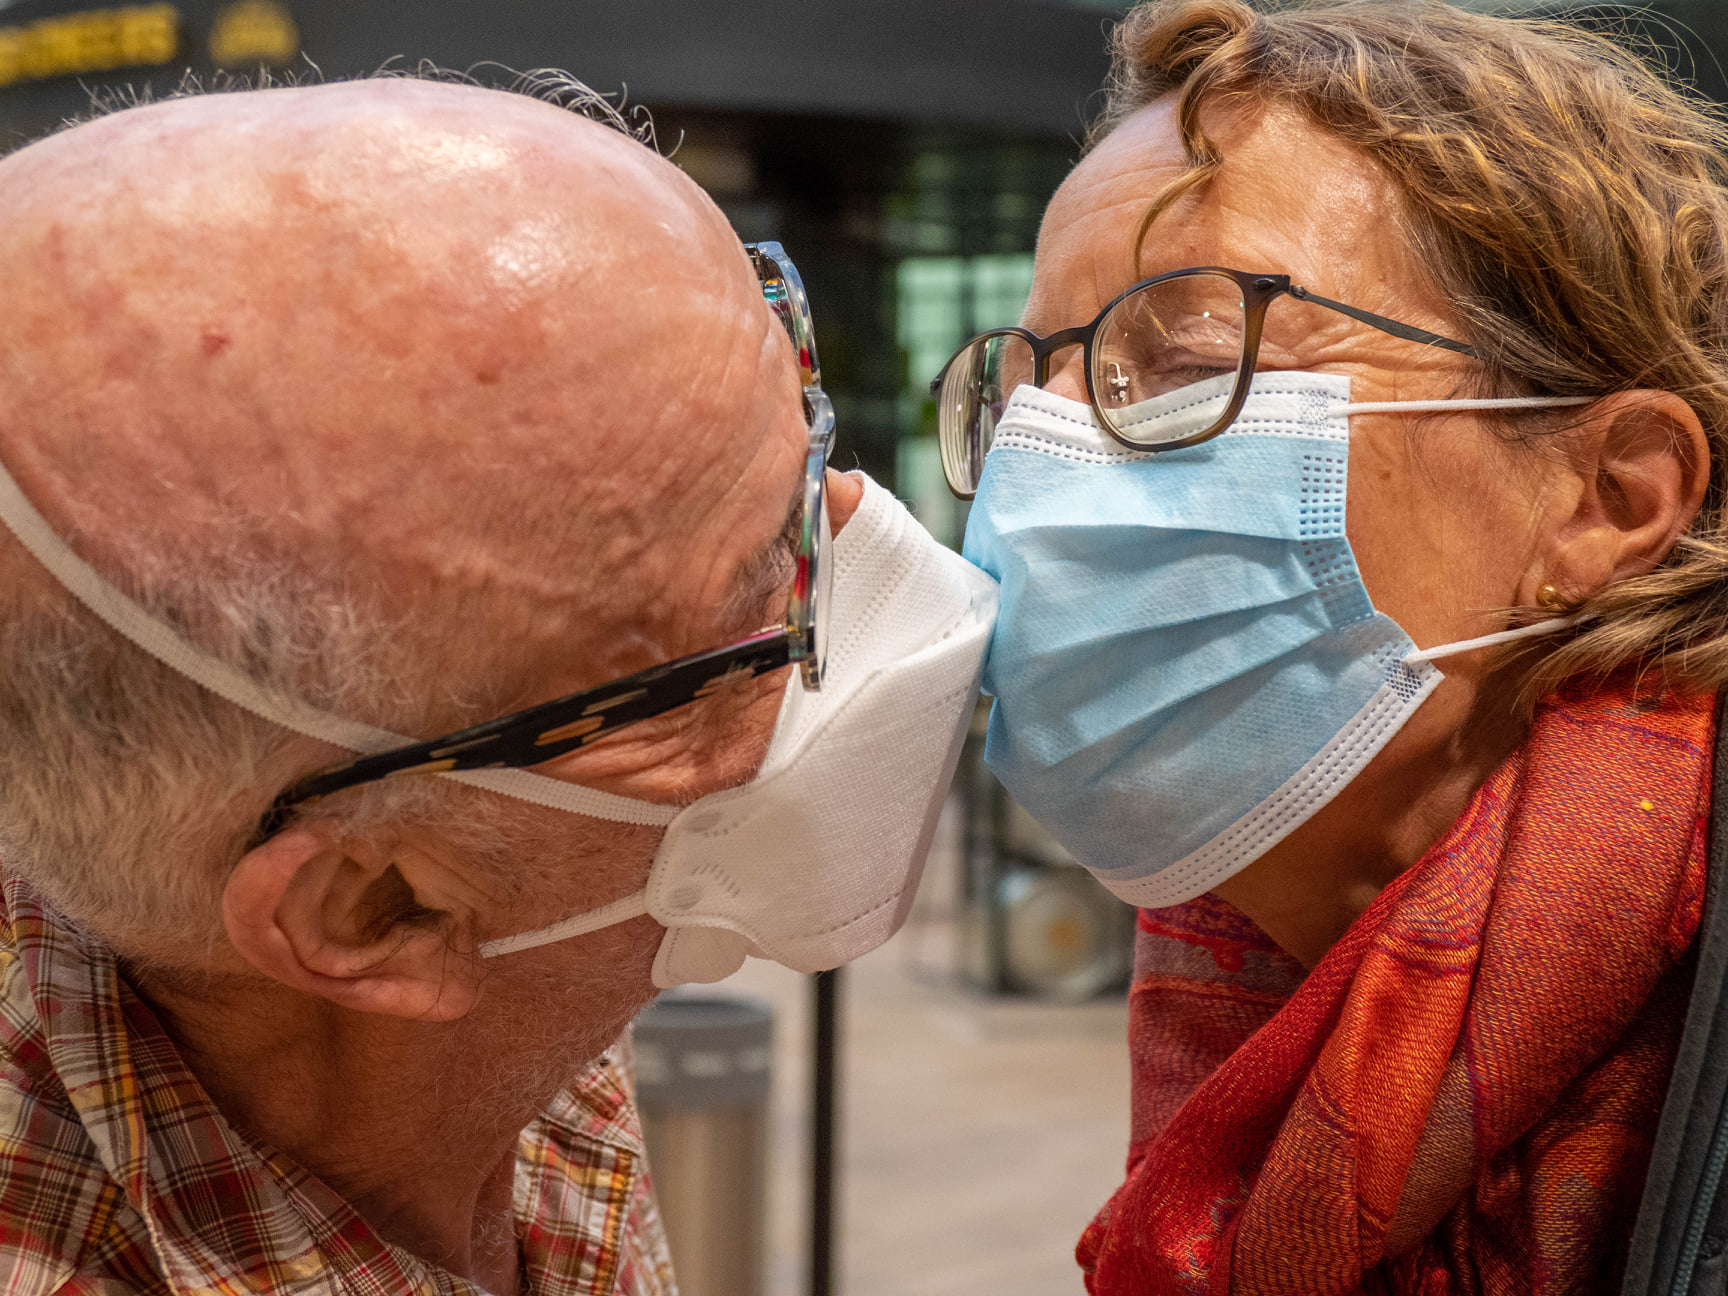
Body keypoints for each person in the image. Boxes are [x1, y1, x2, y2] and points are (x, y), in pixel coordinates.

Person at [0, 77, 995, 1295]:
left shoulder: (503, 1000)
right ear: (381, 914)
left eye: (804, 422)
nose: (859, 532)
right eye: (760, 590)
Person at [934, 0, 1726, 1290]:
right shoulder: (1226, 989)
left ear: (1609, 498)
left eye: (1188, 356)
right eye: (1027, 384)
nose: (1040, 458)